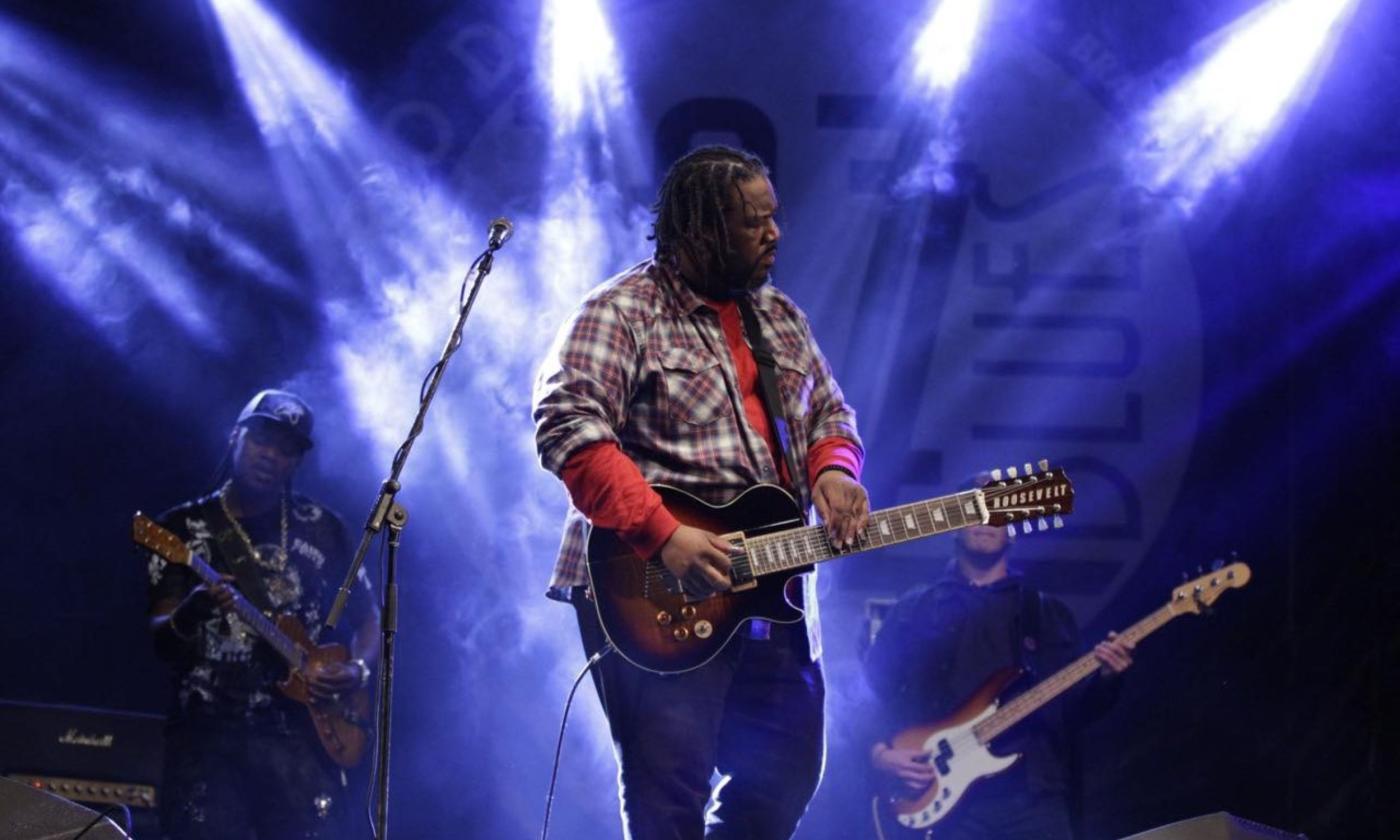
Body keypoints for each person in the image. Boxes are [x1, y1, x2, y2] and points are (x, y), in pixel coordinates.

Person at [533, 145, 870, 838]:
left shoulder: (777, 317)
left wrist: (834, 471)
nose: (774, 234)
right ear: (699, 231)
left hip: (770, 583)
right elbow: (570, 428)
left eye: (774, 217)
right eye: (754, 222)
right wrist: (664, 535)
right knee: (669, 790)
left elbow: (829, 413)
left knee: (786, 774)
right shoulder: (622, 311)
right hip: (653, 584)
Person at [145, 389, 378, 840]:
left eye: (286, 449)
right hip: (208, 740)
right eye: (261, 441)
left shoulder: (325, 528)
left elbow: (371, 618)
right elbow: (160, 639)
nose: (271, 456)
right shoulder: (182, 530)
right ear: (236, 437)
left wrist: (357, 669)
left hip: (301, 739)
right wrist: (193, 612)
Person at [862, 497, 1135, 840]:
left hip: (1032, 798)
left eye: (997, 510)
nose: (985, 519)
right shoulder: (914, 609)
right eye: (973, 509)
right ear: (953, 523)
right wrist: (879, 753)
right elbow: (867, 694)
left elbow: (1073, 709)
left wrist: (1108, 679)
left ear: (1014, 530)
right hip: (942, 803)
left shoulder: (1044, 612)